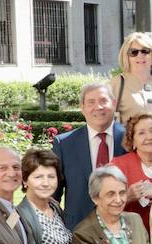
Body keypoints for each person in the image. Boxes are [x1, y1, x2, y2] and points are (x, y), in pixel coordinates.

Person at [52, 83, 125, 230]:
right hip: (78, 230)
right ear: (82, 107)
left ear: (114, 103)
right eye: (91, 102)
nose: (98, 107)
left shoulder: (130, 139)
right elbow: (53, 194)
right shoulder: (65, 144)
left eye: (103, 100)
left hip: (123, 228)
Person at [108, 113, 152, 236]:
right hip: (136, 238)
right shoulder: (118, 166)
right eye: (141, 133)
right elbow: (103, 206)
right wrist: (128, 197)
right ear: (133, 141)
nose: (149, 136)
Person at [112, 32, 152, 122]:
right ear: (126, 56)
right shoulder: (115, 85)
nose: (140, 55)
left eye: (145, 51)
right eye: (133, 52)